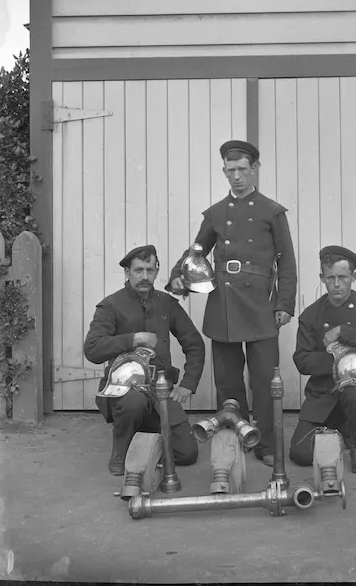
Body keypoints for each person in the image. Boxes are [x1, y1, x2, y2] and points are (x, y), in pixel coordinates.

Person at [168, 140, 297, 466]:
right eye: (231, 169)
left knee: (266, 380)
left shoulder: (272, 211)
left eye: (243, 169)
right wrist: (178, 276)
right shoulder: (216, 213)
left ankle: (267, 444)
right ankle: (240, 434)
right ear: (224, 170)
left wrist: (284, 303)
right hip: (223, 305)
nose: (237, 176)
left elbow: (287, 262)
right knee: (227, 380)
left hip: (260, 305)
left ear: (254, 169)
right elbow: (196, 251)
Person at [84, 245, 205, 475]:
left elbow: (194, 344)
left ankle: (147, 438)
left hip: (160, 391)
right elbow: (92, 349)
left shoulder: (167, 304)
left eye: (150, 270)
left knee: (187, 454)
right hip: (124, 391)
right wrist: (133, 339)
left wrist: (188, 383)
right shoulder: (111, 305)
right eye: (138, 270)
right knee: (134, 404)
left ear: (157, 271)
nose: (145, 276)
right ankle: (121, 448)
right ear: (127, 272)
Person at [289, 245, 356, 473]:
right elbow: (302, 360)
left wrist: (344, 331)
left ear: (353, 277)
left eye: (342, 277)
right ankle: (337, 431)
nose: (336, 284)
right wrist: (338, 363)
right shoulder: (311, 315)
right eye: (330, 277)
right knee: (301, 454)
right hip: (323, 393)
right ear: (322, 278)